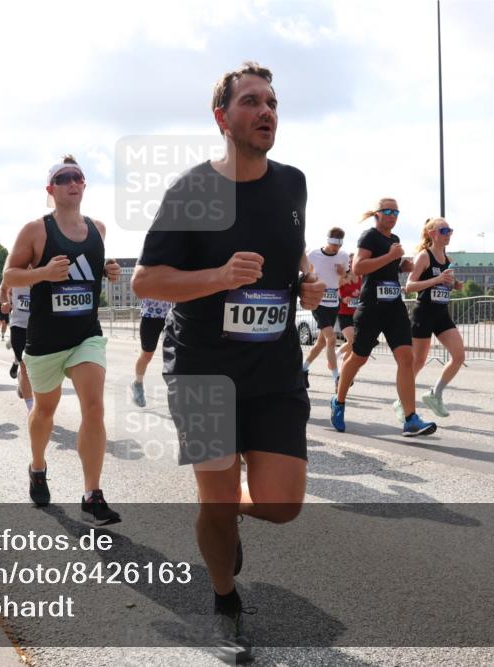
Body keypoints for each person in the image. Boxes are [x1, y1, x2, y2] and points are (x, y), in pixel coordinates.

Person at [132, 62, 324, 664]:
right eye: (251, 101)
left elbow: (284, 268)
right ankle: (224, 597)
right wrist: (217, 276)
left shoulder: (293, 183)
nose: (266, 111)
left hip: (272, 369)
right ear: (222, 117)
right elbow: (145, 281)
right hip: (202, 367)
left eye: (272, 101)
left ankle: (219, 510)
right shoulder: (193, 191)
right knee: (217, 501)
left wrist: (305, 286)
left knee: (283, 504)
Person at [3, 155, 121, 524]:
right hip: (45, 340)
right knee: (45, 412)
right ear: (50, 189)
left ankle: (92, 495)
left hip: (86, 335)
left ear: (84, 185)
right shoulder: (36, 230)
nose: (73, 182)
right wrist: (42, 273)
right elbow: (9, 275)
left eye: (79, 177)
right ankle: (37, 467)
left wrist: (109, 268)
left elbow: (92, 267)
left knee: (94, 407)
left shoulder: (98, 229)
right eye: (64, 177)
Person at [330, 198, 437, 437]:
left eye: (396, 211)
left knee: (406, 359)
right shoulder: (369, 237)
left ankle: (410, 418)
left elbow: (388, 267)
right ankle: (338, 402)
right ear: (377, 214)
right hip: (371, 307)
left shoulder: (394, 240)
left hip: (394, 306)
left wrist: (403, 266)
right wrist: (390, 257)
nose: (393, 215)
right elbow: (358, 268)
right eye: (388, 211)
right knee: (358, 358)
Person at [406, 217, 465, 418]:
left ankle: (435, 394)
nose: (448, 234)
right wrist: (438, 279)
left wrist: (454, 285)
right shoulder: (424, 256)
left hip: (441, 314)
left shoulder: (448, 260)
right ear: (432, 233)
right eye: (443, 230)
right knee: (418, 362)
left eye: (450, 230)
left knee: (459, 356)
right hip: (423, 313)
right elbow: (409, 286)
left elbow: (443, 285)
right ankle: (402, 399)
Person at [301, 228, 349, 388]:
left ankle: (302, 369)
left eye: (339, 245)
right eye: (334, 244)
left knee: (321, 343)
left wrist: (343, 274)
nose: (336, 248)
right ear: (327, 240)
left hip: (333, 302)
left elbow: (346, 280)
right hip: (318, 301)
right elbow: (304, 271)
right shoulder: (314, 254)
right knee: (332, 339)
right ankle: (337, 378)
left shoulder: (343, 256)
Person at [0, 275, 34, 411]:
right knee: (24, 366)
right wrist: (5, 302)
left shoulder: (44, 267)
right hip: (18, 325)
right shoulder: (15, 270)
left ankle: (21, 378)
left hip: (38, 326)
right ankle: (31, 409)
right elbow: (3, 289)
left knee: (34, 368)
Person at [130, 298, 172, 407]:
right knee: (147, 356)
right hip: (150, 316)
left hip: (170, 316)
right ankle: (137, 384)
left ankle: (176, 391)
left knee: (173, 354)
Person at [336, 255, 362, 363]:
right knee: (353, 340)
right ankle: (336, 354)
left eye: (354, 261)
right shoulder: (343, 277)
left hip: (356, 314)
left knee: (353, 345)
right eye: (350, 262)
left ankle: (343, 373)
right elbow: (333, 291)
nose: (351, 264)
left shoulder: (361, 278)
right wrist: (342, 299)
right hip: (344, 313)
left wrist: (360, 294)